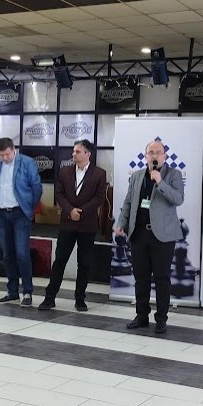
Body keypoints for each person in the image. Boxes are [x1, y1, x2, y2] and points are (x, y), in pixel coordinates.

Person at [115, 140, 185, 334]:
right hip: (139, 234)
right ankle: (141, 316)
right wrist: (121, 223)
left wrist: (160, 182)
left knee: (162, 278)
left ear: (164, 156)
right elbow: (128, 202)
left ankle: (161, 318)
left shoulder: (173, 174)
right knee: (141, 278)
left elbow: (178, 199)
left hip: (162, 236)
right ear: (145, 156)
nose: (154, 155)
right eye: (151, 152)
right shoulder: (137, 176)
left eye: (158, 152)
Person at [39, 139, 107, 312]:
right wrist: (70, 210)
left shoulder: (99, 173)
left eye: (77, 151)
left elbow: (99, 198)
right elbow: (59, 194)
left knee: (84, 263)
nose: (73, 154)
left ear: (88, 154)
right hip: (67, 223)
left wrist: (81, 212)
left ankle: (80, 298)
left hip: (87, 224)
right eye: (73, 151)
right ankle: (49, 297)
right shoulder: (65, 171)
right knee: (60, 260)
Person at [0, 137, 42, 307]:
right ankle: (12, 291)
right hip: (2, 214)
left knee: (22, 253)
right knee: (7, 254)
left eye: (7, 154)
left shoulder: (27, 163)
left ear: (14, 149)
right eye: (1, 155)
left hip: (20, 213)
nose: (5, 158)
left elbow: (37, 188)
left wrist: (28, 207)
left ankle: (27, 291)